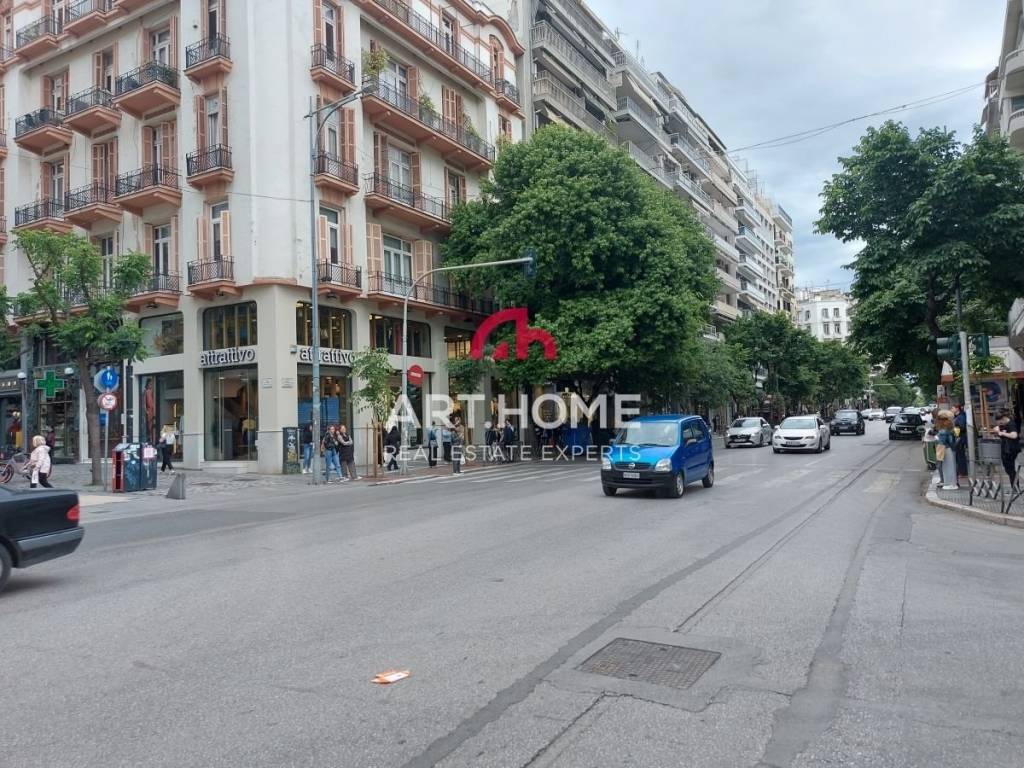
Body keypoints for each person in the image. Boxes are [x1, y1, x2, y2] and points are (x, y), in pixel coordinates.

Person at [994, 410, 1021, 489]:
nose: (999, 423)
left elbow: (1014, 435)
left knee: (1010, 469)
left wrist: (1001, 433)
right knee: (1009, 469)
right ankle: (1015, 487)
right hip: (1007, 449)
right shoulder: (1005, 425)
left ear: (1004, 418)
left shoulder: (1011, 424)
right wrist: (998, 431)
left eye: (1000, 421)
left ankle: (1015, 487)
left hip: (1011, 449)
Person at [935, 409, 958, 490]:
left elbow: (943, 441)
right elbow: (951, 441)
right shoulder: (949, 428)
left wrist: (937, 438)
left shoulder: (943, 431)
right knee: (950, 466)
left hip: (945, 448)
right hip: (949, 449)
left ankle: (949, 483)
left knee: (947, 466)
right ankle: (951, 483)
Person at [952, 404, 969, 480]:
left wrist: (955, 430)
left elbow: (961, 427)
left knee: (960, 455)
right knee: (959, 455)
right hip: (958, 437)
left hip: (960, 437)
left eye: (953, 408)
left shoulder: (961, 417)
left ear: (957, 409)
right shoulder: (957, 416)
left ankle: (963, 472)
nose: (952, 409)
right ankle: (961, 471)